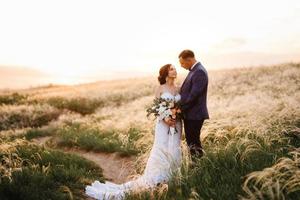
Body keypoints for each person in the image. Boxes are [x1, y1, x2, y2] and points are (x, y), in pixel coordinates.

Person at [85, 64, 183, 200]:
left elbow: (182, 105)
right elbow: (156, 107)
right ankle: (157, 178)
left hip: (177, 123)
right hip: (163, 124)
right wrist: (166, 117)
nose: (175, 70)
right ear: (166, 73)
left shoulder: (179, 88)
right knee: (161, 148)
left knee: (174, 148)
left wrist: (177, 115)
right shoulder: (160, 88)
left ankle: (172, 179)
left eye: (174, 68)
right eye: (171, 69)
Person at [178, 49, 209, 162]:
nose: (181, 66)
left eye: (182, 63)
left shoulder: (199, 71)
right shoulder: (194, 70)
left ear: (189, 60)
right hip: (191, 114)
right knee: (191, 141)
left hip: (195, 115)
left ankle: (198, 166)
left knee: (194, 142)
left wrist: (180, 109)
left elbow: (193, 95)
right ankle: (196, 165)